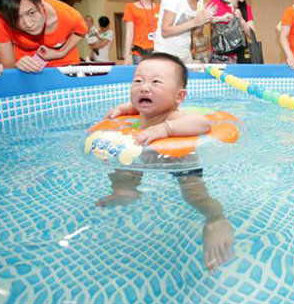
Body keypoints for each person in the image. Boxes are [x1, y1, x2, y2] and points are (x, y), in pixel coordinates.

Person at [97, 52, 234, 271]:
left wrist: (164, 129)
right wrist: (122, 109)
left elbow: (202, 124)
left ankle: (216, 219)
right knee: (122, 172)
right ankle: (125, 192)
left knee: (194, 196)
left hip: (179, 162)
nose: (144, 87)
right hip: (143, 155)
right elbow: (134, 107)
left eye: (156, 82)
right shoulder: (144, 111)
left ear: (178, 97)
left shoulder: (173, 117)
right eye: (138, 81)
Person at [208, 0, 255, 64]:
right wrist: (220, 19)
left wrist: (241, 20)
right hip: (218, 59)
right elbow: (202, 20)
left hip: (240, 60)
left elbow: (252, 35)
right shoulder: (216, 3)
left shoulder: (246, 8)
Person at [123, 0, 160, 65]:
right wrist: (127, 56)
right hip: (139, 54)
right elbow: (129, 33)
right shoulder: (130, 7)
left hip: (157, 54)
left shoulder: (160, 8)